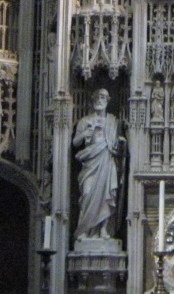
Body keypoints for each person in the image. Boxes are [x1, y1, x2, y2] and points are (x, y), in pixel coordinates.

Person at [72, 89, 125, 242]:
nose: (99, 100)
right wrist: (83, 134)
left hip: (107, 161)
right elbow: (75, 142)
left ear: (107, 100)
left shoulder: (113, 121)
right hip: (90, 163)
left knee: (106, 196)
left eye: (102, 97)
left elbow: (117, 142)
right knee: (87, 194)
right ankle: (85, 229)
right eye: (96, 97)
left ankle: (103, 229)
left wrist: (120, 141)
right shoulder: (85, 121)